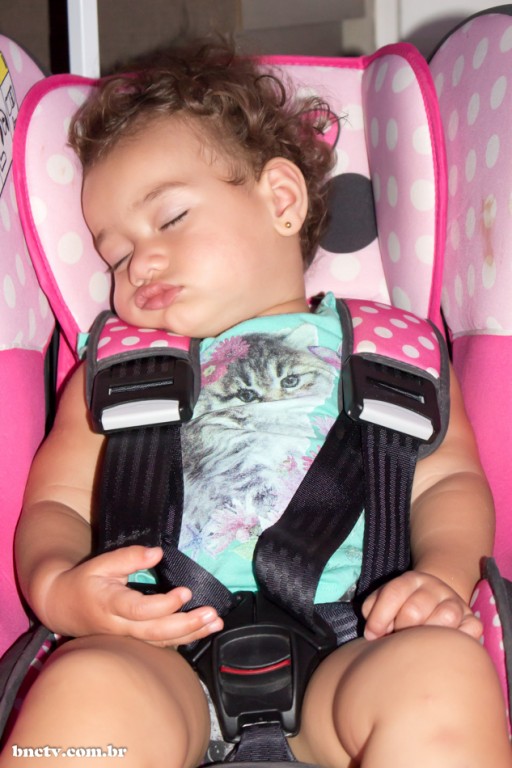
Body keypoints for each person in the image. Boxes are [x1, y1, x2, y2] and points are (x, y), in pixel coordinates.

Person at [1, 39, 510, 768]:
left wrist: (441, 576)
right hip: (157, 655)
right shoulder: (112, 374)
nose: (140, 263)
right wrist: (59, 589)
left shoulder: (392, 353)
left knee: (443, 676)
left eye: (170, 219)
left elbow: (448, 482)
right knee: (83, 689)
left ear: (281, 200)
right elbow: (55, 503)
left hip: (356, 646)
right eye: (114, 254)